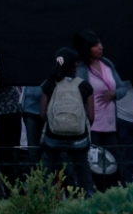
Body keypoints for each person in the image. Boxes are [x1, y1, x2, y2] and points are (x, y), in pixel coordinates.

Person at [73, 29, 126, 185]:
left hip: (110, 127)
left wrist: (114, 94)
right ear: (85, 48)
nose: (100, 47)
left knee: (116, 166)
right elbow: (78, 93)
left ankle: (116, 195)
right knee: (93, 167)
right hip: (92, 127)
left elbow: (122, 88)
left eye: (100, 43)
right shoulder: (81, 69)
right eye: (95, 45)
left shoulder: (107, 64)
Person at [39, 47, 95, 195]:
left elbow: (42, 113)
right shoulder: (84, 86)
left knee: (48, 174)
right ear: (74, 65)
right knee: (83, 172)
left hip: (53, 138)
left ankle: (47, 202)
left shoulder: (49, 84)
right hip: (78, 139)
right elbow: (91, 116)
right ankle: (87, 200)